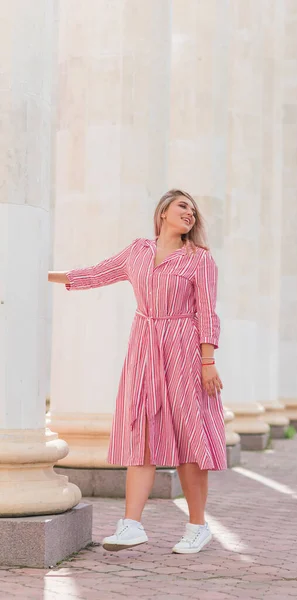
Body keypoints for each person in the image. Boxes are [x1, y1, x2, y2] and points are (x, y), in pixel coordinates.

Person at [48, 189, 226, 554]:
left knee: (189, 435)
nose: (189, 213)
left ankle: (197, 526)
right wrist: (41, 274)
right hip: (145, 347)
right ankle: (131, 524)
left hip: (184, 349)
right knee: (141, 432)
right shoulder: (137, 251)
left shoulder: (200, 260)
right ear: (163, 213)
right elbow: (95, 273)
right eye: (182, 206)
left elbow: (207, 312)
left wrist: (208, 361)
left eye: (193, 210)